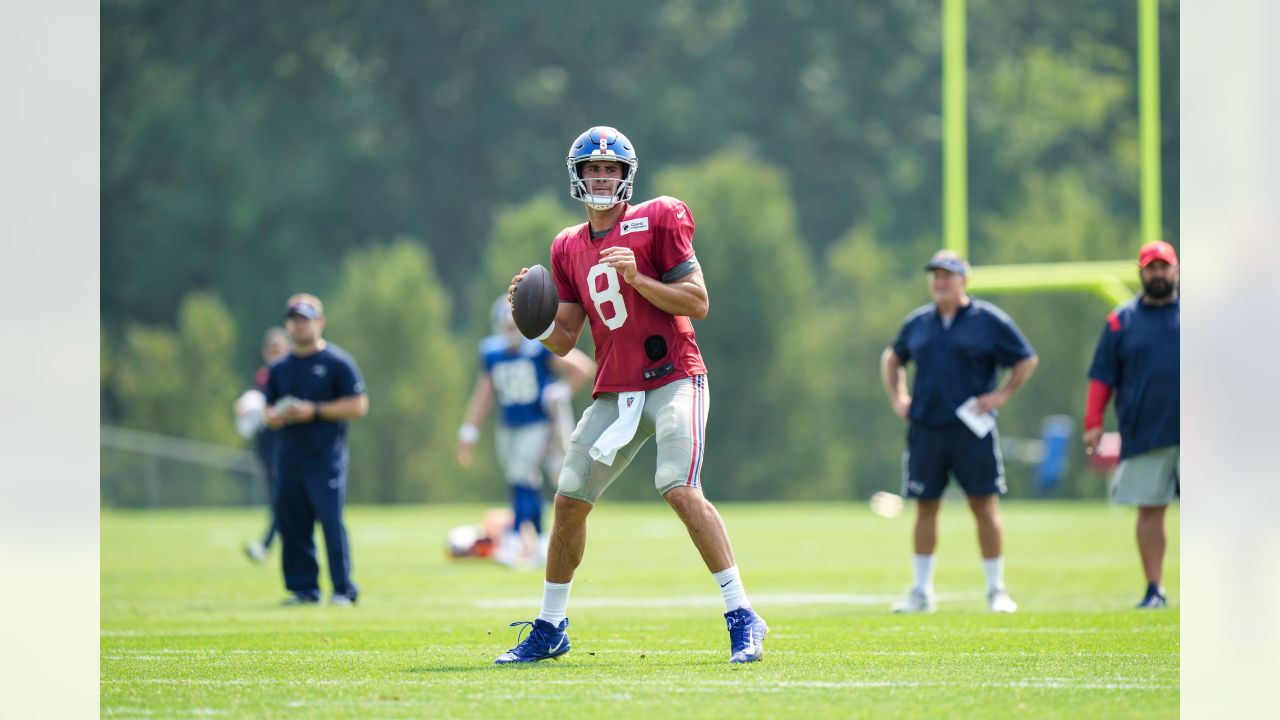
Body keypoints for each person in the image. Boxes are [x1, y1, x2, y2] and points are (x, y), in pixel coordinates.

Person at [494, 126, 768, 665]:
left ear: (626, 176)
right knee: (569, 499)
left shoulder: (659, 217)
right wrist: (533, 323)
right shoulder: (568, 245)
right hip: (616, 390)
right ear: (578, 177)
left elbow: (698, 302)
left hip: (673, 377)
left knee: (679, 486)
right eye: (592, 169)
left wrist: (638, 277)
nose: (601, 177)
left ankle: (742, 614)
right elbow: (567, 337)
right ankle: (551, 626)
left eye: (610, 170)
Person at [880, 250, 1039, 614]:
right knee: (925, 507)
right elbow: (892, 358)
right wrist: (898, 397)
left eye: (947, 275)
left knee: (984, 505)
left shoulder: (987, 320)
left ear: (963, 280)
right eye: (935, 275)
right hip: (927, 429)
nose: (939, 282)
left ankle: (996, 590)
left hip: (972, 431)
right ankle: (921, 592)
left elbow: (1025, 359)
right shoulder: (919, 322)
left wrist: (1000, 395)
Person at [457, 296, 594, 568]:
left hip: (538, 423)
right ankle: (541, 542)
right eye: (507, 326)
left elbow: (582, 367)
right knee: (523, 482)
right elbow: (484, 394)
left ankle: (514, 541)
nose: (511, 331)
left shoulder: (538, 349)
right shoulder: (492, 352)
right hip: (509, 426)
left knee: (521, 479)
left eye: (514, 325)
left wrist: (560, 390)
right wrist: (468, 432)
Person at [1084, 240, 1180, 609]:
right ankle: (1155, 588)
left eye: (1164, 267)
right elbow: (1102, 377)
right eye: (1151, 268)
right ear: (1141, 272)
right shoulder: (1121, 320)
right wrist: (1093, 422)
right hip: (1145, 430)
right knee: (1149, 510)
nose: (1158, 274)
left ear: (1175, 270)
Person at [263, 294, 368, 606]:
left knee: (330, 521)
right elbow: (268, 409)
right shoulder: (280, 367)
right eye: (294, 319)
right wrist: (275, 415)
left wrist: (315, 411)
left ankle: (342, 588)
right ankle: (304, 588)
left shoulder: (337, 362)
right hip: (289, 455)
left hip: (325, 457)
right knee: (292, 523)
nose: (300, 324)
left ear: (319, 322)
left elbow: (359, 404)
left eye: (306, 318)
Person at [238, 327, 291, 563]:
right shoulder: (264, 377)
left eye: (278, 349)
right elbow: (257, 403)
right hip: (268, 446)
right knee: (278, 499)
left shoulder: (293, 372)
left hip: (288, 445)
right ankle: (268, 545)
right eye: (271, 351)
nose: (274, 354)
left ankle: (266, 545)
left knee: (283, 500)